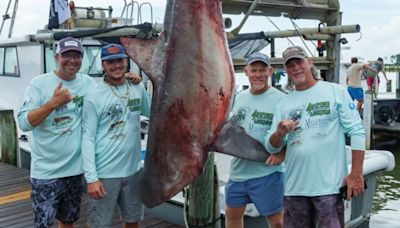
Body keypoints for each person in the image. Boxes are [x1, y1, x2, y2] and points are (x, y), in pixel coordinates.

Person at [266, 46, 366, 228]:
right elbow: (272, 147)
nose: (295, 68)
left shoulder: (336, 92)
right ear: (286, 70)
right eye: (290, 65)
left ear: (309, 62)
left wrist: (356, 173)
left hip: (329, 189)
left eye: (299, 62)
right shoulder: (283, 103)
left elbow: (357, 131)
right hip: (294, 190)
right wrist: (279, 133)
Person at [17, 37, 97, 228]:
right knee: (43, 224)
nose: (72, 60)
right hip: (46, 172)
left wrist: (130, 80)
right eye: (66, 55)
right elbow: (23, 123)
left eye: (76, 56)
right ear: (56, 57)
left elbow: (107, 97)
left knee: (68, 221)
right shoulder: (39, 84)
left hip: (75, 171)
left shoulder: (88, 83)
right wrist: (53, 104)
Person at [81, 43, 151, 228]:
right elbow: (87, 138)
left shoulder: (137, 88)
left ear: (126, 61)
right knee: (99, 225)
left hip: (134, 171)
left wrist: (147, 83)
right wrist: (91, 178)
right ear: (103, 65)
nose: (116, 66)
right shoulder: (93, 96)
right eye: (110, 62)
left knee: (132, 221)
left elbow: (152, 113)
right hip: (105, 174)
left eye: (119, 60)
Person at [225, 52, 286, 228]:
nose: (258, 74)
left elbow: (294, 134)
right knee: (233, 217)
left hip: (266, 173)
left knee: (276, 222)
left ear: (270, 71)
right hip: (237, 172)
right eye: (254, 70)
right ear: (246, 72)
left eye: (262, 70)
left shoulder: (281, 99)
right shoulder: (240, 96)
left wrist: (282, 154)